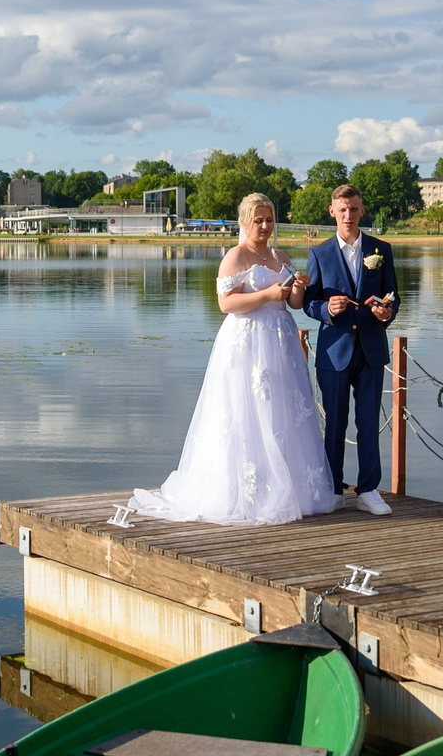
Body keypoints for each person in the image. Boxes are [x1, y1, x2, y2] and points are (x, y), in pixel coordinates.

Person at [128, 193, 339, 526]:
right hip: (248, 341)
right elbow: (226, 304)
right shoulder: (235, 257)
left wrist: (298, 286)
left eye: (269, 220)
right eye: (259, 221)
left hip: (280, 339)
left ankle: (292, 489)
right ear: (245, 222)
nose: (266, 226)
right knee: (246, 410)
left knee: (282, 411)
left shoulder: (279, 255)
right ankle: (243, 492)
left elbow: (295, 304)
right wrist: (268, 294)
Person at [302, 182, 400, 514]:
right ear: (332, 212)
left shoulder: (381, 250)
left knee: (369, 422)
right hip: (334, 352)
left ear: (361, 210)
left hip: (371, 349)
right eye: (342, 210)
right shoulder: (319, 253)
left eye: (353, 209)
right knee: (335, 423)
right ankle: (332, 489)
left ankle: (369, 489)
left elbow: (393, 296)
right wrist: (327, 310)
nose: (348, 215)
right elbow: (308, 303)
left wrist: (387, 312)